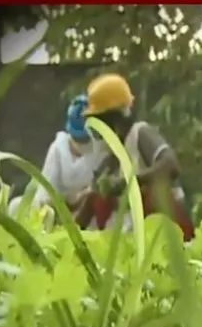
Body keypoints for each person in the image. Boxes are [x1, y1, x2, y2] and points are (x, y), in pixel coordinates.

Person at [75, 74, 195, 239]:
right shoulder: (109, 163)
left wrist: (127, 183)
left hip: (168, 236)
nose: (96, 134)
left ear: (113, 119)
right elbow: (85, 210)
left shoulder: (140, 135)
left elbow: (170, 165)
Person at [22, 95, 109, 215]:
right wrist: (71, 200)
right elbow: (45, 195)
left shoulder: (102, 150)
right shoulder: (59, 148)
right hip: (61, 214)